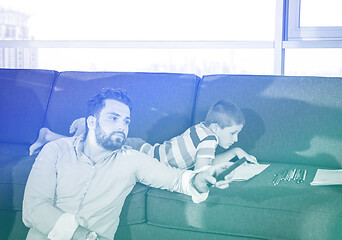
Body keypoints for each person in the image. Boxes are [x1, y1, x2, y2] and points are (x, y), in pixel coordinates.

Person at [22, 88, 232, 240]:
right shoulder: (56, 150)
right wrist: (85, 237)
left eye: (126, 121)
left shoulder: (131, 159)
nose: (122, 126)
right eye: (113, 118)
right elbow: (34, 208)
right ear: (92, 122)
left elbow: (177, 180)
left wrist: (200, 179)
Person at [29, 100, 257, 170]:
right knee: (88, 150)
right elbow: (202, 170)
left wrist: (236, 152)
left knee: (94, 146)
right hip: (139, 153)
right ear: (216, 128)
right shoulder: (209, 139)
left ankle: (51, 135)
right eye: (234, 133)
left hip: (144, 148)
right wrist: (229, 166)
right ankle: (74, 130)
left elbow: (202, 160)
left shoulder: (202, 128)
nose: (236, 138)